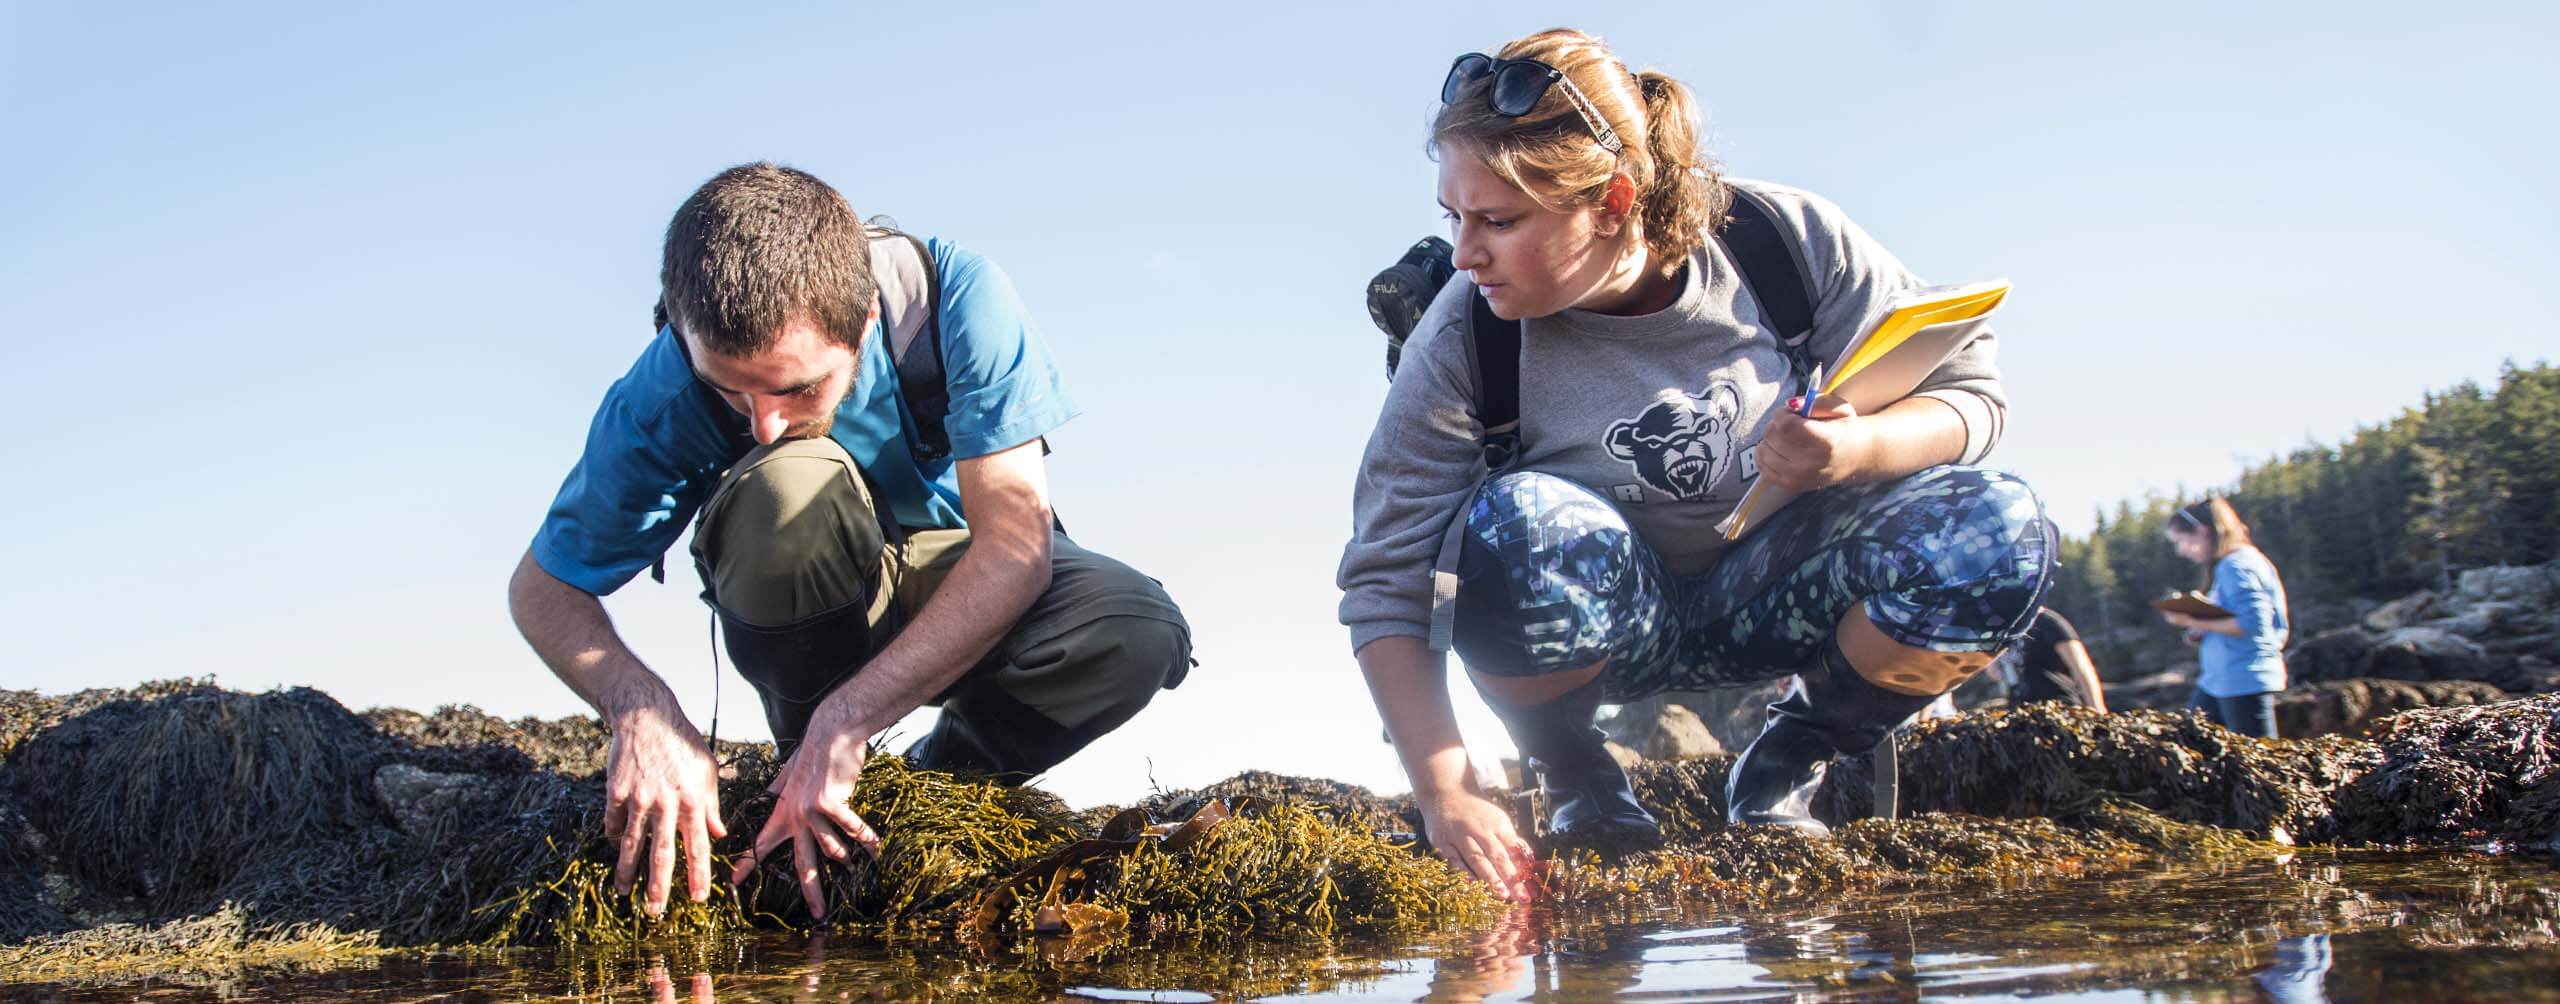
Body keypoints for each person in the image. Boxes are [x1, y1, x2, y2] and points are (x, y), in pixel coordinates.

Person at [1336, 29, 2054, 901]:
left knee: (1997, 527)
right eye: (1454, 217)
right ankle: (1579, 777)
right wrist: (1445, 790)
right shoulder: (1463, 331)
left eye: (1500, 220)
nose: (1463, 253)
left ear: (1613, 202)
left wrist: (1856, 448)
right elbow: (1385, 583)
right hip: (1603, 632)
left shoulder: (1779, 241)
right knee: (1514, 521)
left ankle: (1791, 756)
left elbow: (1973, 396)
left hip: (1781, 595)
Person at [507, 163, 1192, 921]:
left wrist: (852, 719)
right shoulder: (660, 391)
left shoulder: (954, 299)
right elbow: (544, 590)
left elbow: (1015, 551)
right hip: (807, 593)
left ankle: (937, 780)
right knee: (783, 479)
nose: (761, 423)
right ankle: (796, 772)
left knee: (1137, 628)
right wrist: (640, 708)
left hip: (961, 574)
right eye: (731, 390)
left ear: (863, 318)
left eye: (799, 388)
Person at [2158, 497, 2288, 738]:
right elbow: (2235, 617)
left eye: (2182, 541)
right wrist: (2202, 628)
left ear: (2202, 532)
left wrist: (2189, 620)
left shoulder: (2236, 565)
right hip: (2218, 680)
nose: (2181, 550)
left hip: (2243, 678)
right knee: (2188, 739)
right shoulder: (2234, 563)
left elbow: (2252, 623)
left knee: (2258, 763)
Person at [1992, 607, 2108, 711]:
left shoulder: (2046, 622)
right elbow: (1995, 674)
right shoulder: (2003, 631)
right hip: (2019, 710)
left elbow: (2081, 668)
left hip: (2057, 706)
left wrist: (2096, 708)